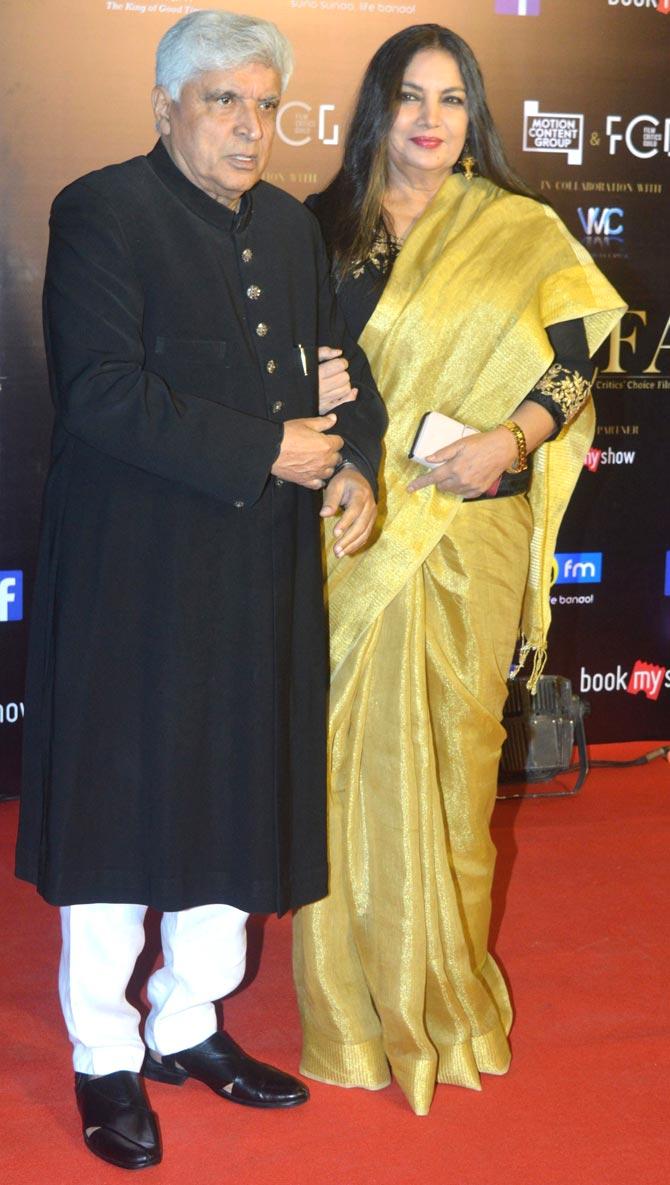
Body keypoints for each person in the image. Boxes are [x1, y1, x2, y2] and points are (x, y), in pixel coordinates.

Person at [15, 9, 386, 1169]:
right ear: (166, 105)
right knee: (122, 823)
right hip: (133, 576)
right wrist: (265, 450)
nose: (250, 127)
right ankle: (103, 1057)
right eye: (224, 100)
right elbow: (102, 395)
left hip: (254, 578)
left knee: (233, 805)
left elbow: (335, 370)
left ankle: (186, 1022)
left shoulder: (286, 228)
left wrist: (352, 465)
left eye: (266, 104)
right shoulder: (100, 210)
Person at [292, 23, 625, 1116]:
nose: (429, 120)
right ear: (376, 110)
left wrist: (510, 441)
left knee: (458, 766)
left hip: (473, 529)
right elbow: (272, 366)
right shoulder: (319, 230)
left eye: (449, 99)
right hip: (357, 527)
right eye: (408, 98)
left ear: (471, 113)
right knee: (346, 765)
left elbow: (574, 363)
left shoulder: (520, 230)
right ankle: (347, 1006)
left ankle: (446, 994)